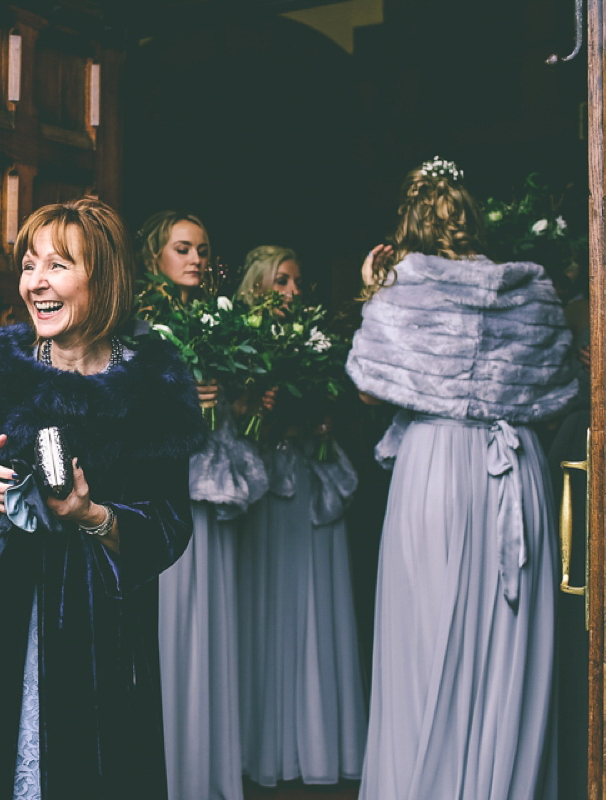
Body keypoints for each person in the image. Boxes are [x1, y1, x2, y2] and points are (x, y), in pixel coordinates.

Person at [0, 197, 207, 800]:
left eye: (58, 265)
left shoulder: (152, 388)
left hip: (95, 630)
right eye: (29, 264)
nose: (36, 282)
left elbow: (168, 528)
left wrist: (91, 516)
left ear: (106, 277)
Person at [346, 158, 578, 800]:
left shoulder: (402, 287)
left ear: (410, 225)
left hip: (436, 468)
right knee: (510, 640)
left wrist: (374, 290)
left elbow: (368, 387)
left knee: (426, 629)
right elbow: (561, 388)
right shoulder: (532, 292)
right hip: (514, 465)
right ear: (472, 220)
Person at [137, 211, 267, 800]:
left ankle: (208, 767)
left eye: (203, 250)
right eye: (181, 248)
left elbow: (233, 408)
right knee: (172, 619)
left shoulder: (221, 322)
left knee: (214, 618)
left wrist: (237, 396)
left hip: (214, 486)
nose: (194, 259)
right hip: (167, 489)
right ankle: (165, 766)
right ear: (156, 255)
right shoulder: (139, 323)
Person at [233, 245, 367, 789]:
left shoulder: (313, 346)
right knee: (268, 604)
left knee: (315, 601)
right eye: (282, 281)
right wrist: (256, 409)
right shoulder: (242, 343)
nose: (292, 291)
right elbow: (233, 426)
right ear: (259, 286)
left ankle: (316, 738)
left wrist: (320, 421)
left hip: (308, 479)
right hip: (265, 486)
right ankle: (259, 742)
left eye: (297, 282)